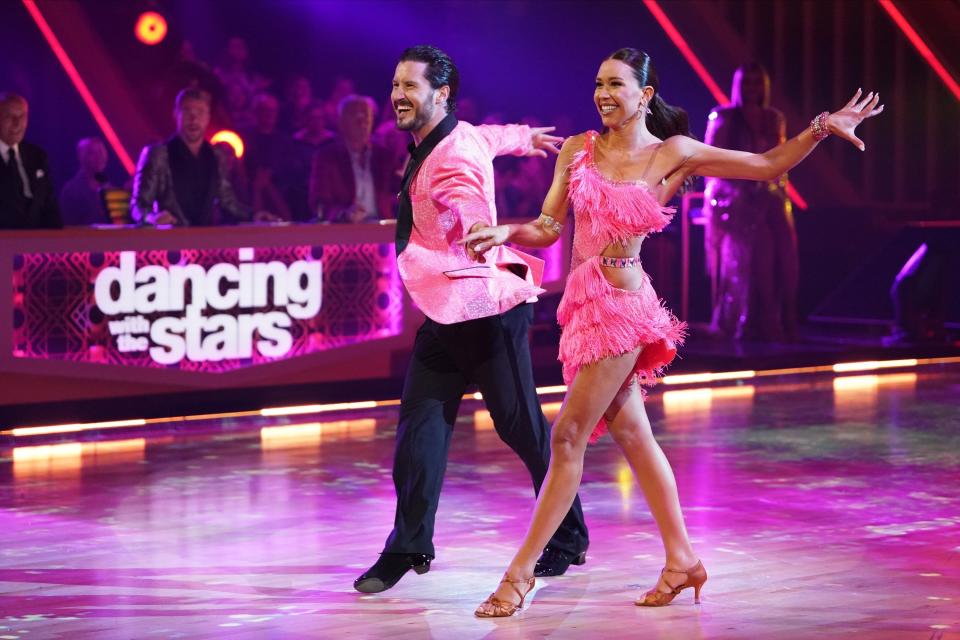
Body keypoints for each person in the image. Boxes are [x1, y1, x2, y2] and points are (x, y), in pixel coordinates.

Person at [462, 48, 882, 616]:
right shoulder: (576, 150)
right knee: (633, 434)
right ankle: (682, 560)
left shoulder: (673, 153)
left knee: (566, 438)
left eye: (616, 84)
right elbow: (547, 226)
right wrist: (504, 232)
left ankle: (518, 578)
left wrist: (820, 128)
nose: (603, 94)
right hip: (583, 305)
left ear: (645, 95)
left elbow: (764, 166)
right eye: (598, 83)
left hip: (624, 306)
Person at [352, 45, 590, 595]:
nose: (397, 96)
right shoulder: (459, 135)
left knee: (524, 431)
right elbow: (490, 135)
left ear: (441, 95)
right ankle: (408, 546)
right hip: (444, 314)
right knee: (419, 432)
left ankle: (569, 535)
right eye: (395, 85)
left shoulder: (453, 155)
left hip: (486, 313)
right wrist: (525, 136)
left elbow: (468, 192)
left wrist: (482, 227)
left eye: (410, 86)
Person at [704, 63, 799, 342]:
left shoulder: (773, 118)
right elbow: (712, 163)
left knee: (778, 236)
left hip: (764, 194)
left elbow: (780, 165)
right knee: (762, 239)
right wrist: (743, 189)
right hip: (731, 195)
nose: (752, 89)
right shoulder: (723, 117)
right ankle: (761, 318)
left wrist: (765, 188)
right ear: (738, 86)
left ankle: (782, 313)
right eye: (747, 83)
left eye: (757, 83)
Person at [130, 88, 271, 226]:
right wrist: (151, 218)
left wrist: (253, 215)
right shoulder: (158, 154)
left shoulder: (216, 156)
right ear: (176, 114)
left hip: (204, 243)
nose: (193, 118)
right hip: (169, 243)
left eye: (200, 112)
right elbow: (138, 205)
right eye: (187, 111)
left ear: (208, 117)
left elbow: (227, 201)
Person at [308, 95, 396, 222]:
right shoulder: (327, 158)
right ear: (341, 123)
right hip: (344, 231)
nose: (363, 121)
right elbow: (319, 203)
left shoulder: (383, 157)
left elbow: (401, 190)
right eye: (355, 115)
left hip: (381, 230)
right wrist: (343, 214)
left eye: (367, 116)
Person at [0, 92, 61, 230]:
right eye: (10, 116)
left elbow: (49, 207)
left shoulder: (38, 156)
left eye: (22, 116)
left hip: (36, 247)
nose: (17, 123)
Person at [59, 136, 111, 226]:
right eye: (94, 153)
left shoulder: (108, 188)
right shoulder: (71, 191)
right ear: (82, 157)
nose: (100, 157)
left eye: (102, 152)